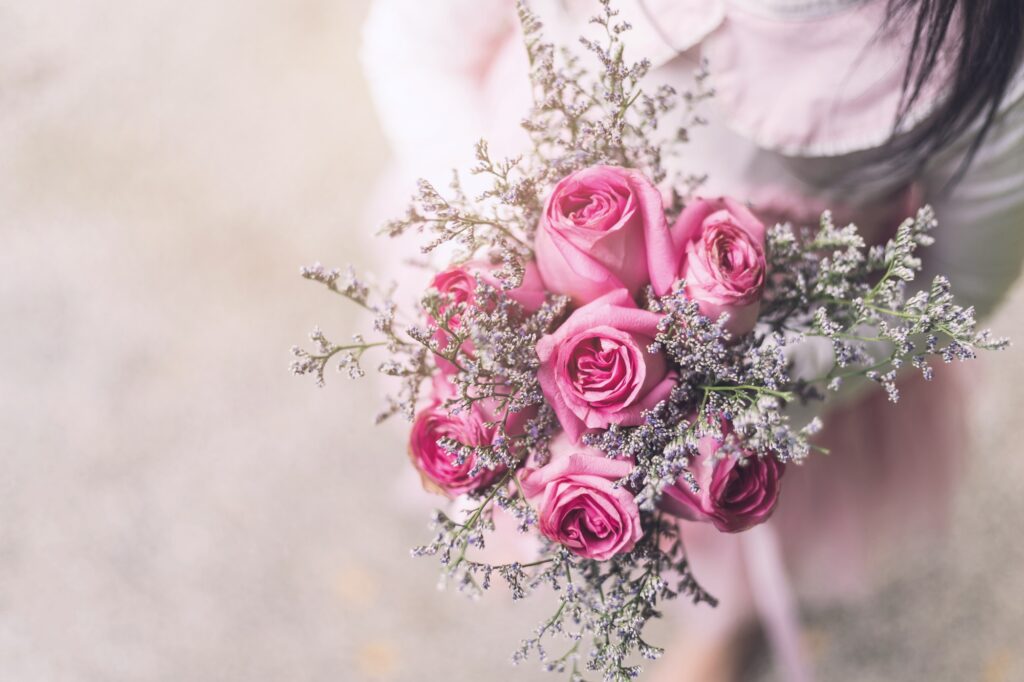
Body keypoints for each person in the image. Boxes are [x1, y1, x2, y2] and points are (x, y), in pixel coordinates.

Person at [360, 1, 1024, 679]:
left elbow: (957, 282)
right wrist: (502, 238)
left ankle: (721, 621)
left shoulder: (979, 49)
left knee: (724, 531)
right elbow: (416, 48)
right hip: (518, 266)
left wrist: (781, 373)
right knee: (534, 472)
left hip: (767, 388)